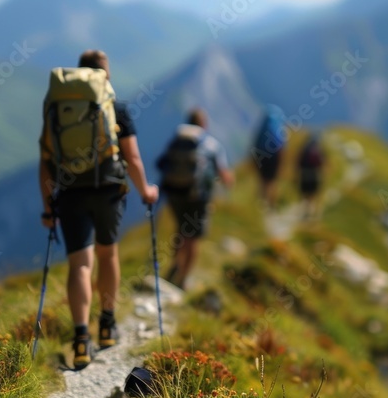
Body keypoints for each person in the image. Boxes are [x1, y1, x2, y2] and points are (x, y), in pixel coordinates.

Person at [39, 49, 159, 370]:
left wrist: (48, 207)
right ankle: (107, 326)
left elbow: (46, 161)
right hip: (108, 190)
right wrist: (146, 190)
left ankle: (81, 340)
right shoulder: (116, 108)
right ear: (105, 75)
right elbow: (132, 159)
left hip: (70, 192)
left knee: (80, 264)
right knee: (108, 255)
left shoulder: (56, 108)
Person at [156, 108, 235, 289]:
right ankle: (183, 279)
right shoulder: (210, 144)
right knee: (192, 236)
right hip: (196, 195)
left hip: (174, 192)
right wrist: (228, 183)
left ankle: (175, 264)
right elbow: (224, 174)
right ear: (203, 124)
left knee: (180, 229)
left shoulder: (177, 140)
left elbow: (161, 163)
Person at [251, 104, 287, 209]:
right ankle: (271, 205)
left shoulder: (263, 125)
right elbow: (282, 144)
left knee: (263, 180)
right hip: (274, 157)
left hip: (261, 155)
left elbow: (255, 142)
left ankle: (261, 204)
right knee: (272, 182)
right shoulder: (278, 126)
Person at [297, 131, 326, 220]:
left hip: (305, 173)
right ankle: (311, 214)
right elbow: (322, 162)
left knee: (305, 194)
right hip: (314, 173)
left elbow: (299, 162)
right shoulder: (318, 149)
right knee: (313, 194)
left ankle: (305, 211)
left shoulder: (304, 148)